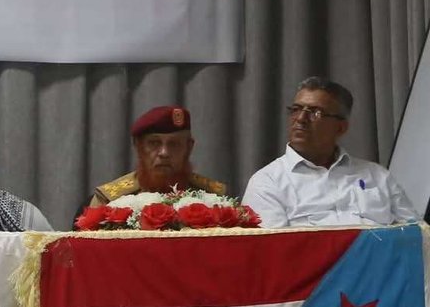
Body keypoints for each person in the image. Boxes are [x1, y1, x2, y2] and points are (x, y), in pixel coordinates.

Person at [242, 77, 417, 228]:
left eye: (315, 112)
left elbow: (418, 234)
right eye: (296, 109)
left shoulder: (378, 176)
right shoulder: (267, 183)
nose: (301, 119)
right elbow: (274, 250)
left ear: (341, 127)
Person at [90, 105, 227, 206]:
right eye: (154, 143)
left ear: (189, 148)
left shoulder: (214, 199)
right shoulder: (109, 200)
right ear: (138, 146)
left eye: (174, 144)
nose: (164, 153)